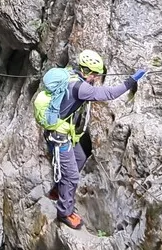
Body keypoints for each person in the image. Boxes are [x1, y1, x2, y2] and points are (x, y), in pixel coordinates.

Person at [38, 50, 146, 230]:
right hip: (59, 137)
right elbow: (110, 93)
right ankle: (64, 212)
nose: (96, 78)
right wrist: (131, 81)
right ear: (87, 72)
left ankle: (59, 190)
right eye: (95, 75)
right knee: (72, 176)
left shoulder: (71, 74)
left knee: (79, 157)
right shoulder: (81, 88)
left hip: (62, 132)